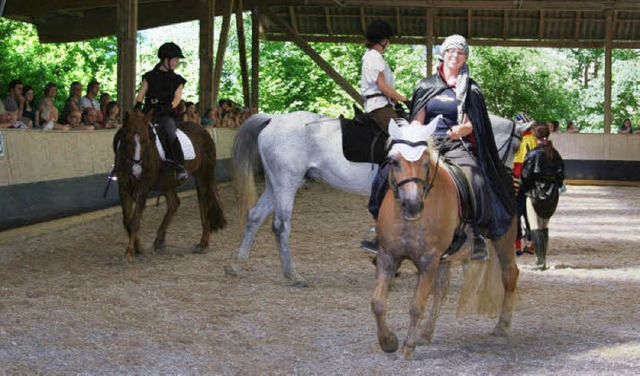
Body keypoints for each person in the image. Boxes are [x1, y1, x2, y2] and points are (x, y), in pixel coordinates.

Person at [366, 34, 515, 261]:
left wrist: (461, 130)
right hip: (426, 144)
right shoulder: (427, 85)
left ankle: (477, 235)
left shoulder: (471, 89)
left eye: (460, 52)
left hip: (456, 145)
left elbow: (473, 123)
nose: (455, 56)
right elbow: (418, 117)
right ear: (443, 54)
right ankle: (378, 226)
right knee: (388, 169)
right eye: (451, 51)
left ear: (465, 58)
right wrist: (416, 133)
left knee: (476, 179)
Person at [134, 41, 188, 181]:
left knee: (170, 132)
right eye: (175, 59)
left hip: (165, 113)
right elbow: (141, 94)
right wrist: (137, 107)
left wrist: (169, 107)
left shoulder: (178, 80)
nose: (177, 62)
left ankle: (179, 166)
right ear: (166, 59)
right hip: (148, 113)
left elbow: (177, 99)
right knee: (131, 132)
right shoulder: (149, 76)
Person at [521, 122, 565, 270]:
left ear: (535, 136)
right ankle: (542, 259)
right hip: (552, 194)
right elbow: (561, 176)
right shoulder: (555, 153)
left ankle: (539, 262)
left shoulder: (533, 154)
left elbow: (526, 176)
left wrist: (525, 189)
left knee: (535, 226)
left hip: (535, 193)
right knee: (544, 226)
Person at [360, 19, 407, 133]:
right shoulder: (375, 57)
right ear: (384, 40)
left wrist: (395, 100)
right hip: (379, 106)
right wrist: (404, 99)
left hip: (382, 103)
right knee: (402, 137)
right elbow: (382, 86)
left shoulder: (371, 56)